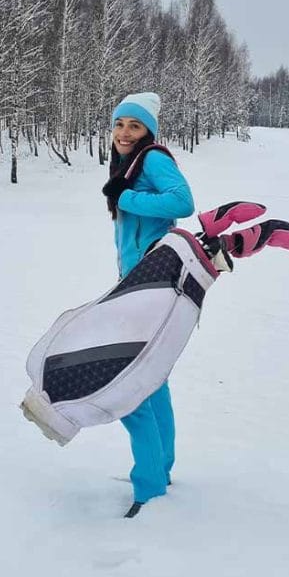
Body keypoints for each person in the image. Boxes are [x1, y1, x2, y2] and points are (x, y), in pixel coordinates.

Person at [100, 92, 194, 518]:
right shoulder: (128, 164)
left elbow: (182, 201)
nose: (124, 133)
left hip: (151, 287)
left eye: (134, 126)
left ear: (148, 132)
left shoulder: (152, 159)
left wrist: (126, 198)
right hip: (142, 284)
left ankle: (150, 484)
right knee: (153, 381)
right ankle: (160, 470)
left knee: (130, 384)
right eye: (119, 124)